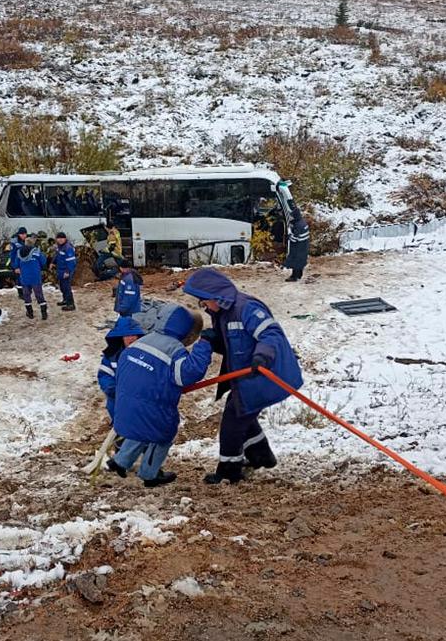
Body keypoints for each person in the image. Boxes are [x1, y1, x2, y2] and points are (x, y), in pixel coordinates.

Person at [182, 268, 303, 485]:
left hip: (265, 374)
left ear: (216, 297)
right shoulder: (222, 314)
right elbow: (234, 342)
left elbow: (270, 334)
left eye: (204, 302)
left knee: (233, 422)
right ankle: (262, 457)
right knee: (242, 413)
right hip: (246, 377)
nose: (204, 307)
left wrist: (261, 356)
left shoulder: (246, 308)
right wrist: (214, 341)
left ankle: (229, 471)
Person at [106, 305, 211, 487]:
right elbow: (188, 374)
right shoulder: (174, 349)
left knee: (141, 427)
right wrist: (204, 345)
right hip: (151, 410)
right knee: (162, 433)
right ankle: (150, 474)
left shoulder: (143, 341)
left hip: (123, 409)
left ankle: (120, 461)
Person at [98, 316, 145, 422]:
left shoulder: (146, 355)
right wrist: (112, 389)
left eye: (133, 335)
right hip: (118, 398)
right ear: (121, 337)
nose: (131, 338)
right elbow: (104, 374)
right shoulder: (112, 356)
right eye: (127, 335)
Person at [17, 235, 48, 320]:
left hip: (24, 277)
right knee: (39, 295)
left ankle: (30, 313)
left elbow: (16, 263)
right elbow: (43, 261)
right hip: (35, 277)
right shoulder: (37, 252)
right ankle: (44, 313)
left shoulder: (19, 252)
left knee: (26, 295)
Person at [284, 207, 309, 282]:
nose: (292, 218)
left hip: (297, 247)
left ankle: (294, 277)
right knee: (301, 261)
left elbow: (295, 239)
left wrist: (289, 236)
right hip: (304, 245)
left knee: (295, 261)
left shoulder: (298, 225)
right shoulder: (303, 222)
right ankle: (299, 275)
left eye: (292, 216)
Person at [54, 232, 77, 311]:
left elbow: (71, 262)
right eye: (58, 238)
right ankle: (65, 300)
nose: (60, 240)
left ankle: (71, 304)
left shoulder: (68, 248)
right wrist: (52, 262)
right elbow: (57, 256)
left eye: (62, 238)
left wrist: (67, 272)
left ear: (65, 239)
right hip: (60, 269)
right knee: (62, 286)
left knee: (67, 287)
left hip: (66, 271)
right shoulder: (60, 247)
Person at [10, 227, 28, 299]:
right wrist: (15, 266)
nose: (24, 236)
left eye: (25, 234)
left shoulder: (26, 242)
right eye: (22, 234)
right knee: (19, 279)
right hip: (17, 263)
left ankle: (26, 292)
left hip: (25, 263)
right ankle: (20, 294)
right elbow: (12, 255)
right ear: (19, 234)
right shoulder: (15, 243)